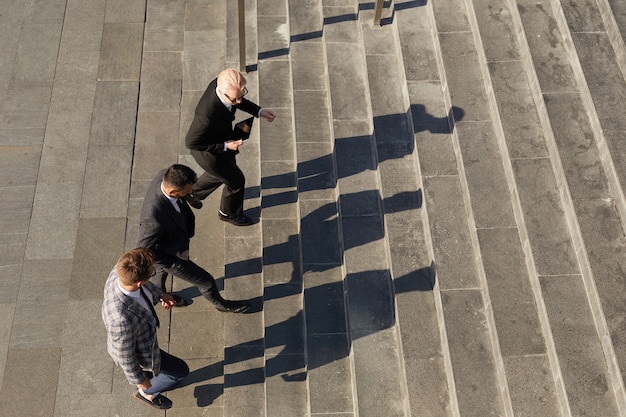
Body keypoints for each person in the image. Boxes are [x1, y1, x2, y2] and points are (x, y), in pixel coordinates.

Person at [137, 164, 250, 312]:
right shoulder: (153, 220)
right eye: (186, 192)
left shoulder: (164, 175)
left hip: (166, 242)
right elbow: (142, 251)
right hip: (171, 256)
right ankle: (223, 306)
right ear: (173, 192)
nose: (190, 193)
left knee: (160, 272)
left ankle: (158, 295)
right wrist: (171, 263)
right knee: (206, 282)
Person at [184, 68, 276, 226]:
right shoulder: (205, 116)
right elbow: (191, 143)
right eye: (234, 100)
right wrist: (225, 146)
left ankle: (194, 193)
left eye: (241, 96)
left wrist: (259, 111)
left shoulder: (222, 86)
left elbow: (239, 100)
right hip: (210, 153)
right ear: (222, 92)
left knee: (222, 173)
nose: (238, 102)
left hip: (220, 139)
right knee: (236, 180)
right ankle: (228, 214)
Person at [102, 248, 189, 410]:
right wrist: (140, 381)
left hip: (143, 335)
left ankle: (150, 380)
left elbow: (145, 286)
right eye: (152, 273)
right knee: (180, 371)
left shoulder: (122, 270)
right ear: (138, 282)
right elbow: (125, 356)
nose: (153, 275)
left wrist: (161, 295)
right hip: (142, 351)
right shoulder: (120, 320)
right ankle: (148, 393)